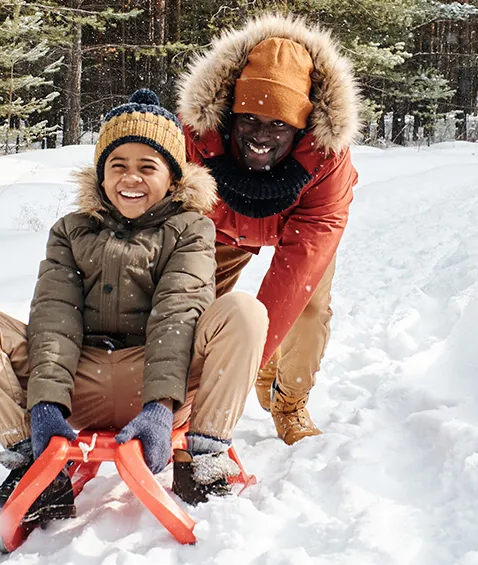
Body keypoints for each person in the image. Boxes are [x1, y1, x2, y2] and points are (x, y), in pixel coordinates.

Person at [0, 89, 269, 526]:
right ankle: (34, 469)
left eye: (146, 167)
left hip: (165, 384)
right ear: (100, 176)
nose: (130, 178)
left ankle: (205, 459)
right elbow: (55, 319)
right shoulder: (71, 231)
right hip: (83, 381)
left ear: (172, 179)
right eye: (118, 166)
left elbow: (179, 312)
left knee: (244, 312)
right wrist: (46, 407)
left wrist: (158, 406)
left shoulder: (191, 229)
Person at [174, 14, 362, 445]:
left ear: (301, 128)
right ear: (228, 116)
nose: (261, 135)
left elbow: (293, 277)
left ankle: (289, 401)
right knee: (191, 303)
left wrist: (241, 369)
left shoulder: (328, 158)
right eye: (249, 120)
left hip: (297, 224)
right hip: (218, 224)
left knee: (308, 307)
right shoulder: (194, 138)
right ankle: (177, 397)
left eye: (278, 124)